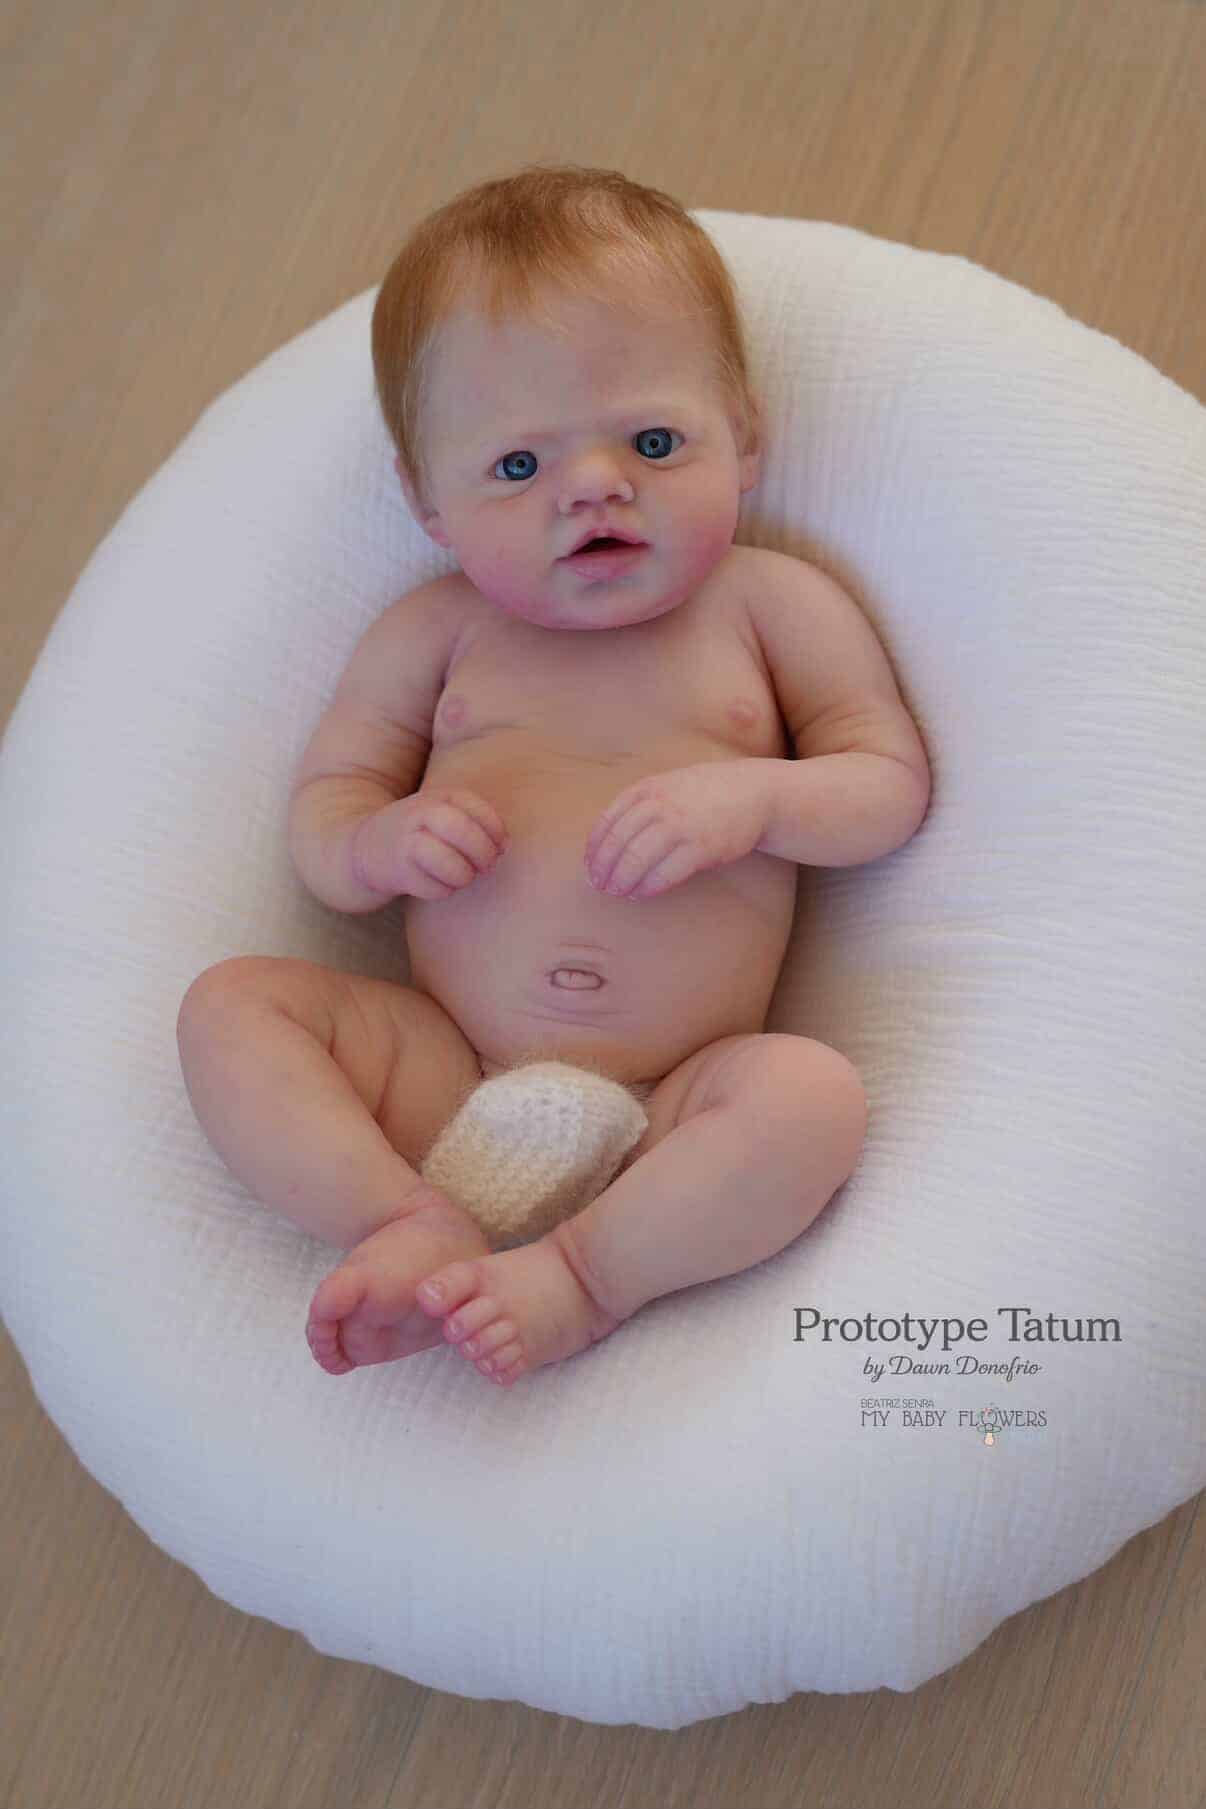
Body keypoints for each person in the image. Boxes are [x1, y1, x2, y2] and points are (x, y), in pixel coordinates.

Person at [176, 165, 931, 1389]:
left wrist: (758, 802)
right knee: (231, 1008)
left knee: (811, 1099)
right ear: (428, 502)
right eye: (519, 469)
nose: (592, 487)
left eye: (653, 441)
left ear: (744, 440)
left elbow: (885, 785)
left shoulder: (773, 606)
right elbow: (326, 817)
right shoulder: (434, 633)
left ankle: (585, 1276)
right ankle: (403, 1218)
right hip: (444, 1068)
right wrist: (379, 843)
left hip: (678, 1095)